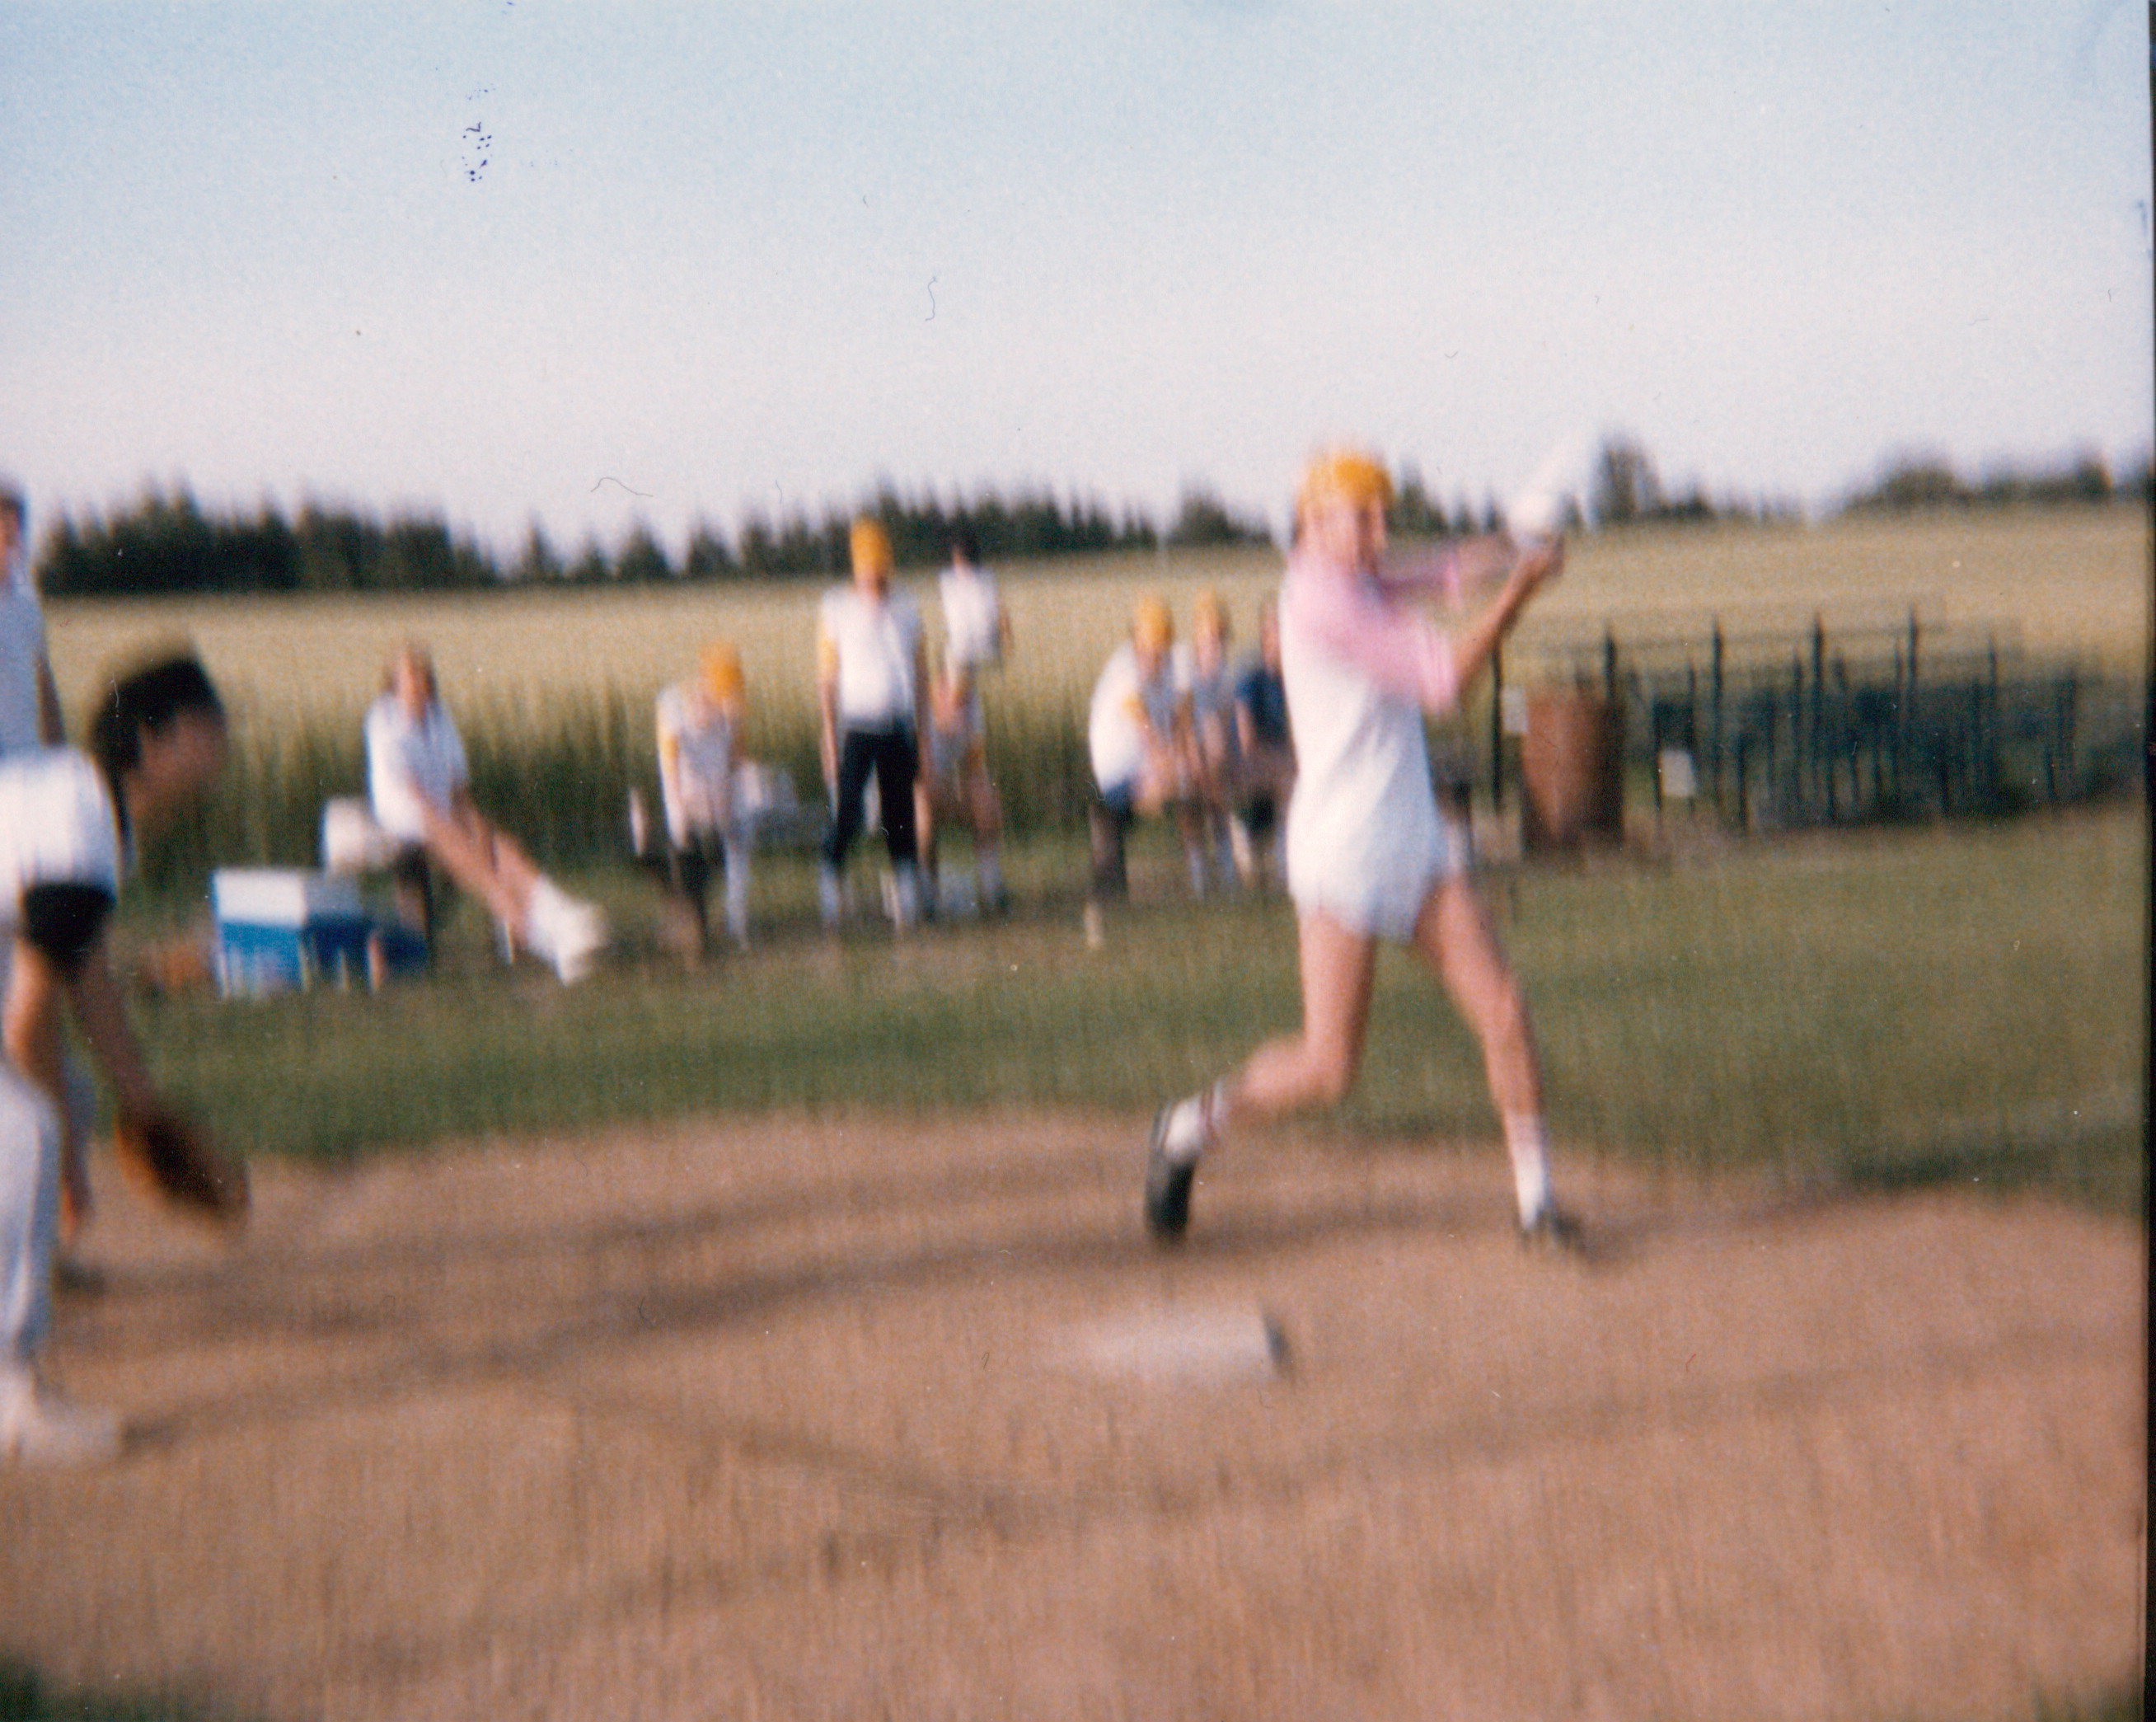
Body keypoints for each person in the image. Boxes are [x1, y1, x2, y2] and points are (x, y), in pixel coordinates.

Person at [1143, 448, 1582, 1250]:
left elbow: (1445, 569)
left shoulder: (1356, 575)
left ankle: (1538, 1204)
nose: (1381, 530)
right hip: (1345, 852)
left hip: (1415, 839)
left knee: (1504, 1011)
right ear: (1313, 523)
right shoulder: (1321, 600)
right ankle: (1186, 1129)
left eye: (1384, 514)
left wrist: (1515, 543)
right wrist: (1518, 593)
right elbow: (1443, 682)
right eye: (1364, 517)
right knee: (1328, 1068)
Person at [3, 653, 234, 1462]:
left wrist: (141, 1103)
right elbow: (28, 1021)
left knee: (50, 1106)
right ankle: (12, 1401)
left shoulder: (96, 817)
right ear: (153, 741)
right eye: (207, 726)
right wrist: (68, 1153)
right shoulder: (79, 823)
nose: (223, 741)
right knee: (26, 1128)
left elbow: (86, 972)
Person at [364, 644, 607, 983]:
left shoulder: (440, 716)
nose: (419, 684)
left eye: (424, 676)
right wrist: (459, 836)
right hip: (404, 816)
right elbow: (416, 798)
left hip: (443, 811)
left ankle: (563, 914)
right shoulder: (382, 720)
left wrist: (479, 829)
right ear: (394, 684)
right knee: (470, 860)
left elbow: (458, 788)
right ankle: (546, 941)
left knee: (501, 848)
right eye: (410, 677)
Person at [816, 518, 928, 931]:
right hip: (855, 728)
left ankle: (907, 899)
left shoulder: (908, 607)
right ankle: (831, 885)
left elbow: (920, 675)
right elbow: (827, 680)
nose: (875, 579)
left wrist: (924, 738)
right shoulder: (835, 608)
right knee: (847, 813)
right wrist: (829, 738)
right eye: (868, 569)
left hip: (898, 725)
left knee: (900, 815)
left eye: (881, 569)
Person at [1085, 595, 1205, 899]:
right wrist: (1179, 765)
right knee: (1182, 781)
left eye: (1160, 649)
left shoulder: (1170, 667)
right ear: (1137, 643)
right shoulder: (1125, 671)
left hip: (1145, 767)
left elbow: (1179, 724)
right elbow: (1148, 734)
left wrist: (1188, 758)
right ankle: (1198, 877)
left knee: (1191, 774)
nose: (1156, 657)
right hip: (1117, 772)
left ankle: (1200, 875)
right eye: (1151, 648)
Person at [917, 530, 1011, 914]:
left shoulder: (972, 712)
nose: (962, 699)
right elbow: (919, 776)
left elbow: (974, 766)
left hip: (944, 789)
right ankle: (924, 894)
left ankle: (992, 890)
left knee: (986, 799)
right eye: (956, 690)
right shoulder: (922, 713)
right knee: (921, 806)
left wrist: (977, 792)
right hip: (916, 792)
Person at [654, 640, 752, 953]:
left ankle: (735, 918)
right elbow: (670, 763)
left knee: (736, 841)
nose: (729, 700)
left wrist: (729, 798)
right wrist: (681, 806)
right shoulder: (673, 704)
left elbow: (736, 761)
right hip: (684, 788)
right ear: (705, 682)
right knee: (686, 853)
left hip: (719, 788)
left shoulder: (733, 709)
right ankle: (691, 922)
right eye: (724, 691)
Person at [1177, 589, 1243, 893]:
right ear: (1198, 636)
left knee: (1214, 768)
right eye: (1209, 638)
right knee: (1190, 780)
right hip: (1185, 751)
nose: (1214, 645)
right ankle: (1201, 866)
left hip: (1215, 756)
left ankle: (1221, 861)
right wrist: (1195, 755)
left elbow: (1226, 725)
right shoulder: (1185, 666)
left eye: (1219, 638)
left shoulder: (1226, 674)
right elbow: (1182, 721)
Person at [1230, 598, 1295, 889]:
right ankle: (1284, 860)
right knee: (1291, 778)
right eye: (1274, 631)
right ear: (1264, 634)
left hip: (1279, 759)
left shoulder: (1293, 674)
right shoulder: (1251, 674)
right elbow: (1247, 740)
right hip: (1247, 763)